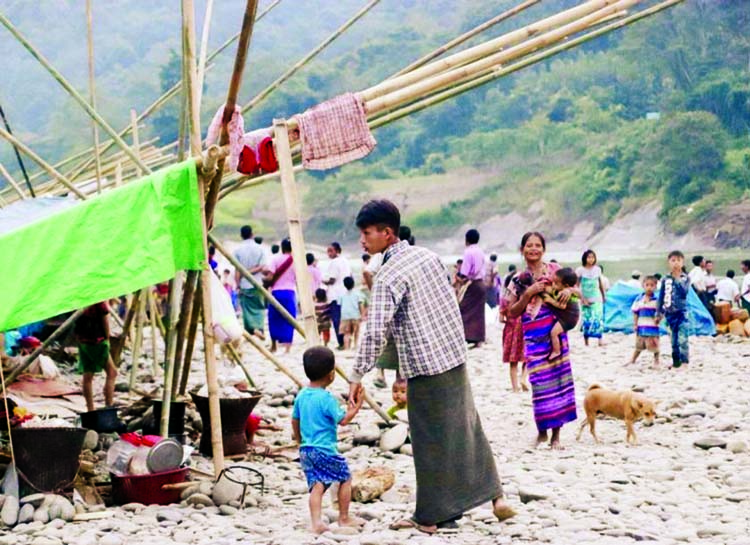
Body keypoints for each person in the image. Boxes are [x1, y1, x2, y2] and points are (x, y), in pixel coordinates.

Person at [350, 200, 515, 534]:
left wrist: (356, 373)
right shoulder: (429, 257)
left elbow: (376, 329)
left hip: (425, 364)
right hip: (452, 355)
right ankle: (493, 494)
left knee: (429, 439)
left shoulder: (388, 275)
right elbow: (448, 305)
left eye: (367, 234)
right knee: (466, 426)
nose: (363, 241)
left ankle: (429, 516)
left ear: (387, 233)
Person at [507, 232, 577, 450]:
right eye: (529, 245)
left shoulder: (556, 270)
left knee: (558, 380)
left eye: (538, 245)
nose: (533, 249)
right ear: (522, 250)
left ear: (544, 249)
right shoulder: (517, 279)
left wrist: (569, 290)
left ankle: (556, 436)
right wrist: (527, 294)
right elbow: (511, 311)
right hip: (533, 335)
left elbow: (576, 289)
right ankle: (542, 432)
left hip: (555, 330)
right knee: (539, 382)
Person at [292, 346, 364, 535]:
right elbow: (343, 420)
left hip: (306, 450)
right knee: (345, 478)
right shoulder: (327, 399)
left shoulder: (301, 396)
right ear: (331, 375)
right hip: (324, 449)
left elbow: (295, 420)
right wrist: (356, 408)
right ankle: (344, 517)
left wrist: (299, 440)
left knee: (317, 485)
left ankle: (316, 522)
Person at [75, 302, 118, 412]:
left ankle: (90, 409)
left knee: (87, 376)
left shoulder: (80, 298)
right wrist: (107, 338)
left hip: (83, 341)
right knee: (112, 372)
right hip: (97, 340)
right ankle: (109, 405)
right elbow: (105, 321)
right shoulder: (100, 302)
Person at [656, 250, 691, 368]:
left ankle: (685, 361)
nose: (676, 263)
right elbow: (661, 296)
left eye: (678, 260)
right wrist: (658, 312)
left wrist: (677, 279)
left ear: (682, 263)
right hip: (669, 314)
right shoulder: (665, 279)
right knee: (673, 341)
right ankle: (676, 362)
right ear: (668, 262)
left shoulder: (685, 278)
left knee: (683, 339)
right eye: (673, 260)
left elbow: (684, 292)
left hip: (681, 314)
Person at [233, 225, 267, 339]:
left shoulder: (237, 250)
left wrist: (238, 283)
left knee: (246, 310)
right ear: (252, 234)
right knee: (259, 307)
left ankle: (251, 331)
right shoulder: (260, 249)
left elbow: (237, 270)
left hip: (244, 284)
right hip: (258, 283)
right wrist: (251, 271)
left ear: (241, 235)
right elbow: (262, 266)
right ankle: (259, 329)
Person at [540, 267, 580, 360]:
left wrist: (550, 301)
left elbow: (562, 306)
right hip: (568, 317)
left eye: (556, 283)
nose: (553, 285)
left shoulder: (563, 293)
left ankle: (556, 351)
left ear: (565, 285)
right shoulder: (561, 289)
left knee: (553, 333)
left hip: (568, 319)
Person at [456, 229, 487, 348]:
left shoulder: (468, 252)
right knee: (478, 312)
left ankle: (465, 336)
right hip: (480, 283)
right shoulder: (480, 251)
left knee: (463, 308)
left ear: (467, 239)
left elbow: (465, 270)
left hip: (473, 284)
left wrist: (460, 277)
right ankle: (478, 338)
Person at [265, 239, 297, 353]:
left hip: (276, 292)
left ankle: (274, 345)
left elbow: (269, 276)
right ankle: (288, 347)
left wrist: (264, 281)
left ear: (282, 248)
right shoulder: (296, 260)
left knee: (274, 318)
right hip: (290, 292)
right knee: (289, 319)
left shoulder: (275, 259)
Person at [499, 273, 527, 393]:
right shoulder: (527, 295)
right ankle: (524, 378)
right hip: (526, 327)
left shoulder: (506, 297)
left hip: (511, 329)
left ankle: (515, 388)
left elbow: (501, 318)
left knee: (513, 361)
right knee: (528, 357)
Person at [323, 242, 352, 349]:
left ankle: (341, 342)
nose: (329, 253)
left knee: (337, 320)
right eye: (328, 251)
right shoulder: (346, 261)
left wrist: (323, 280)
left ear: (337, 251)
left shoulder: (334, 263)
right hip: (345, 293)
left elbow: (332, 279)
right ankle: (346, 341)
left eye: (331, 250)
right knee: (344, 319)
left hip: (335, 295)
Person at [576, 250, 606, 347]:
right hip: (585, 298)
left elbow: (600, 283)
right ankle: (586, 341)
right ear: (585, 258)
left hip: (596, 297)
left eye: (592, 257)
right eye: (589, 257)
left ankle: (600, 339)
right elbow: (577, 285)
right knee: (587, 319)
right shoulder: (580, 270)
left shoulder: (597, 269)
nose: (591, 259)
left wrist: (603, 295)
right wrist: (582, 298)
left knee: (598, 317)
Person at [629, 275, 660, 368]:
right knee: (639, 344)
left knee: (654, 344)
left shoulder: (657, 300)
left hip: (652, 326)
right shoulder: (639, 299)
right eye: (647, 285)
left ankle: (656, 360)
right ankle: (633, 359)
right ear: (643, 286)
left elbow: (660, 312)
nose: (649, 287)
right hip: (641, 325)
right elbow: (635, 312)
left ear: (655, 286)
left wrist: (658, 319)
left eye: (652, 285)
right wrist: (635, 324)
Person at [337, 277, 364, 350]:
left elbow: (339, 305)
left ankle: (347, 347)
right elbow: (360, 304)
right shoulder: (358, 293)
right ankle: (355, 346)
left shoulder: (341, 294)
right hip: (355, 315)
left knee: (346, 333)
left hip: (345, 316)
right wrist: (362, 315)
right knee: (356, 332)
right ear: (353, 284)